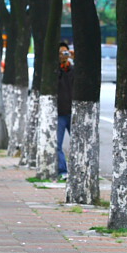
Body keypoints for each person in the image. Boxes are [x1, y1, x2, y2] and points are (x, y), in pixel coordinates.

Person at [58, 41, 74, 181]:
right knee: (58, 144)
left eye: (65, 52)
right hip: (59, 114)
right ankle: (63, 171)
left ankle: (78, 169)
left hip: (73, 113)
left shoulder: (72, 70)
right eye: (60, 53)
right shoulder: (55, 70)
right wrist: (60, 66)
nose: (63, 55)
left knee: (77, 142)